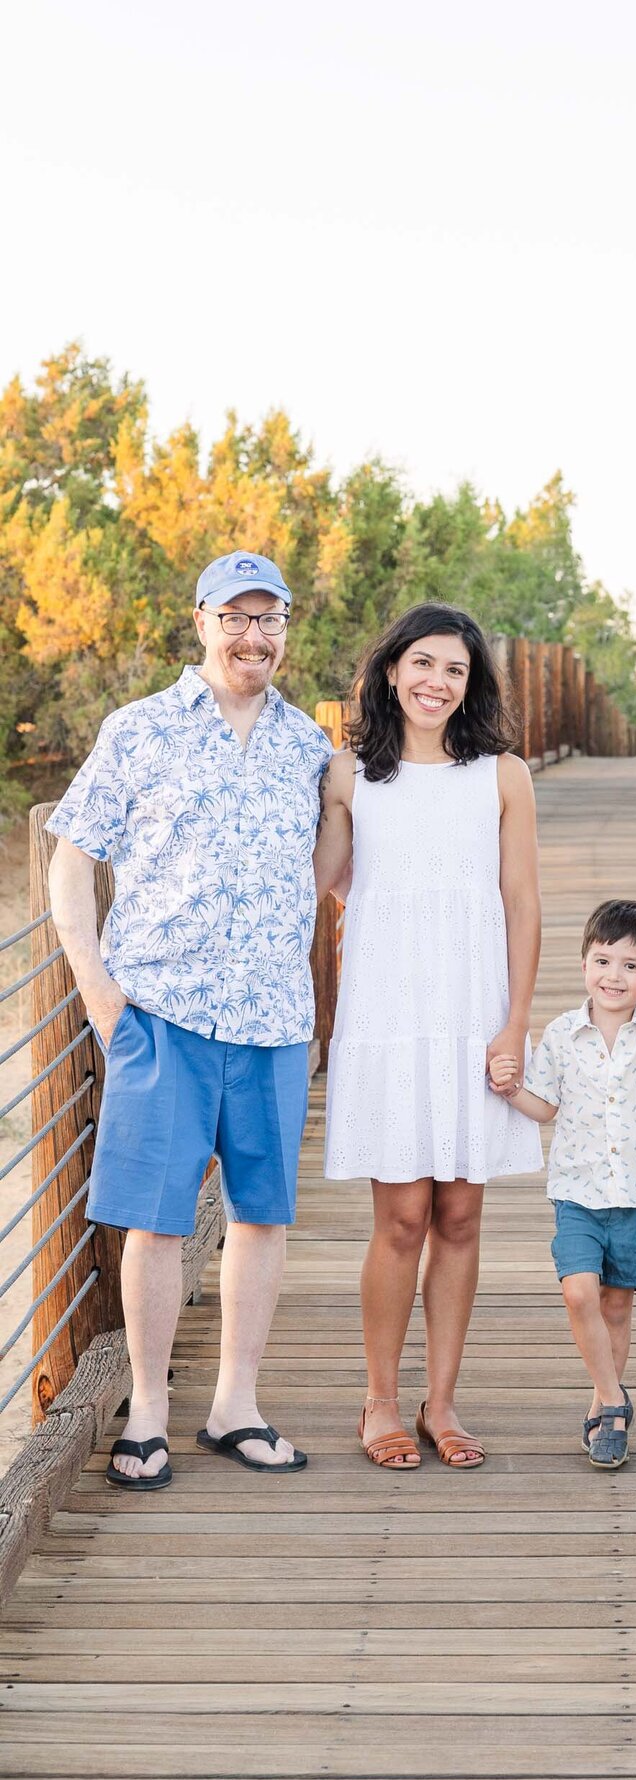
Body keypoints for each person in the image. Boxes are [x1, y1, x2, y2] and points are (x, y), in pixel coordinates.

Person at [46, 551, 333, 1490]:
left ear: (286, 628)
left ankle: (234, 1409)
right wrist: (97, 988)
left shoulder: (308, 747)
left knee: (261, 1215)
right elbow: (69, 865)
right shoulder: (138, 731)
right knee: (155, 1221)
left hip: (272, 1017)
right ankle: (150, 1417)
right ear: (202, 619)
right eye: (237, 617)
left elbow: (336, 867)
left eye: (272, 620)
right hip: (160, 1012)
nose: (256, 637)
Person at [314, 603, 542, 1471]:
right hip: (387, 1011)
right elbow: (329, 883)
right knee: (402, 1214)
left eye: (454, 669)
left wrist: (514, 1022)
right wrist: (328, 808)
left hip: (474, 1006)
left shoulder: (502, 775)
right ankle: (378, 1399)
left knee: (461, 1211)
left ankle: (441, 1401)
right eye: (421, 664)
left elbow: (522, 904)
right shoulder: (348, 775)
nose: (436, 682)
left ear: (472, 683)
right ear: (389, 671)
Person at [489, 900, 636, 1468]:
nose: (615, 976)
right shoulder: (563, 1034)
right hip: (578, 1192)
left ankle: (604, 1410)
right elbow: (545, 1108)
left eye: (632, 966)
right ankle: (614, 1396)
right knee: (579, 1291)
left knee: (616, 1306)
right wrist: (512, 1089)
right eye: (604, 961)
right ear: (585, 963)